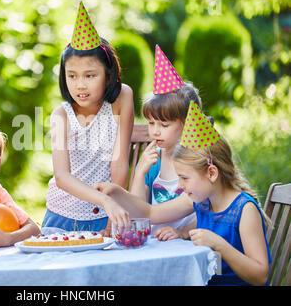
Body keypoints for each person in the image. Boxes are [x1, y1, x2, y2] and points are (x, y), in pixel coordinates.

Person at [95, 101, 271, 286]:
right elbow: (149, 213)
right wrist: (116, 192)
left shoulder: (245, 209)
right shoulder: (201, 201)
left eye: (184, 178)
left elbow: (260, 276)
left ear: (211, 173)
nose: (180, 185)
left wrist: (219, 245)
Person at [42, 1, 134, 233]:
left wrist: (113, 216)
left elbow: (119, 161)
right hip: (63, 217)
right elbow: (62, 177)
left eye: (90, 75)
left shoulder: (122, 98)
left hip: (107, 214)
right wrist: (104, 200)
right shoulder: (61, 115)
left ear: (109, 74)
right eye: (71, 76)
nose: (80, 85)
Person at [130, 45, 202, 239]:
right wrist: (140, 173)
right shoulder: (154, 160)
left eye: (164, 124)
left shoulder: (197, 162)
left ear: (187, 123)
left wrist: (181, 233)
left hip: (189, 243)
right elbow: (137, 214)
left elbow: (208, 209)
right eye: (151, 123)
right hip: (155, 242)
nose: (155, 131)